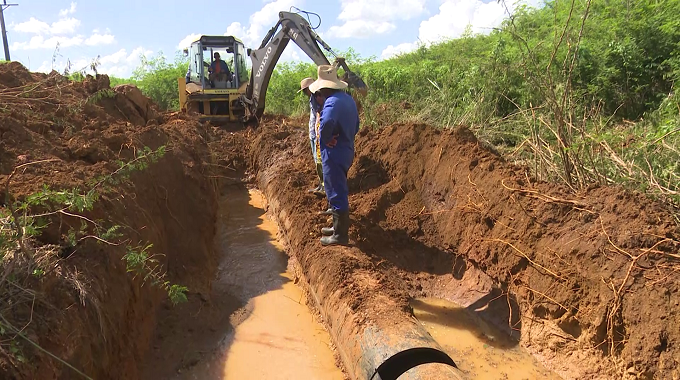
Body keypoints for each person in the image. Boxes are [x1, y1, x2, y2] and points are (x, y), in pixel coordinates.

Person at [308, 65, 360, 246]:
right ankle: (337, 228)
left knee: (336, 191)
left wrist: (325, 139)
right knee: (338, 187)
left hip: (334, 153)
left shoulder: (331, 103)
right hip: (346, 150)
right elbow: (356, 126)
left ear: (323, 88)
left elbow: (327, 122)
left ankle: (340, 236)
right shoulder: (348, 99)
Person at [299, 77, 325, 196]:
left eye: (305, 90)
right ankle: (321, 185)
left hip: (317, 135)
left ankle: (324, 187)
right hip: (313, 134)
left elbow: (320, 115)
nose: (305, 93)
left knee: (320, 161)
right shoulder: (312, 98)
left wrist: (318, 133)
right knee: (316, 161)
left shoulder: (318, 97)